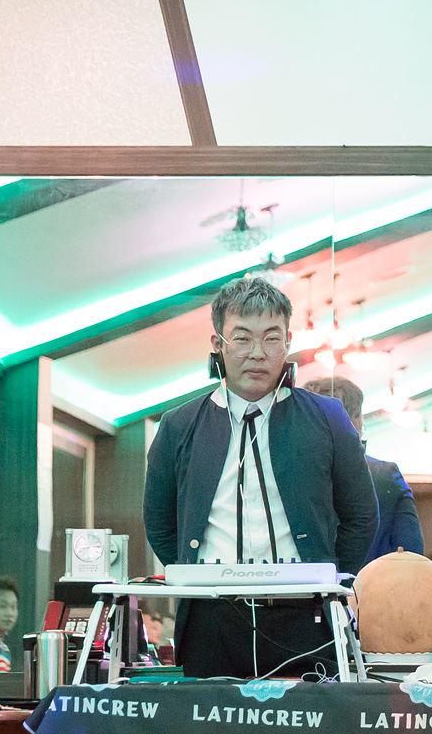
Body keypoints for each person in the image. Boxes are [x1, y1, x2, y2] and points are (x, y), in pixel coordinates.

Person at [144, 276, 376, 677]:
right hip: (211, 619)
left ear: (288, 342)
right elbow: (159, 522)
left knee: (309, 717)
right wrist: (197, 573)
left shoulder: (327, 418)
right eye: (242, 338)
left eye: (272, 338)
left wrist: (324, 573)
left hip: (305, 616)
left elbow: (362, 515)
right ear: (218, 344)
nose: (258, 353)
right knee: (212, 719)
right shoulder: (179, 425)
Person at [302, 375, 424, 562]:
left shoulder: (289, 475)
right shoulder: (386, 476)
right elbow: (411, 555)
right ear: (356, 421)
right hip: (371, 579)